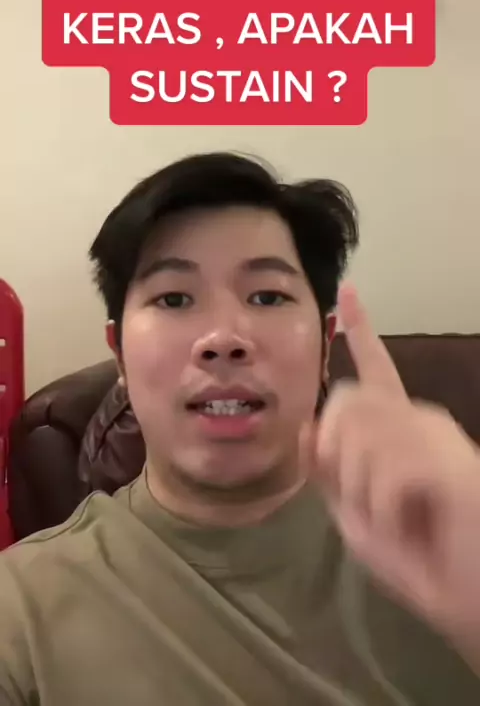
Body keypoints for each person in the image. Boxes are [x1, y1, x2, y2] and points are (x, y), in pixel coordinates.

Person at [1, 152, 480, 706]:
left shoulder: (449, 536)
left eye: (267, 296)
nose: (224, 337)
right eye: (174, 298)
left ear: (325, 345)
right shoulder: (22, 607)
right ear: (121, 355)